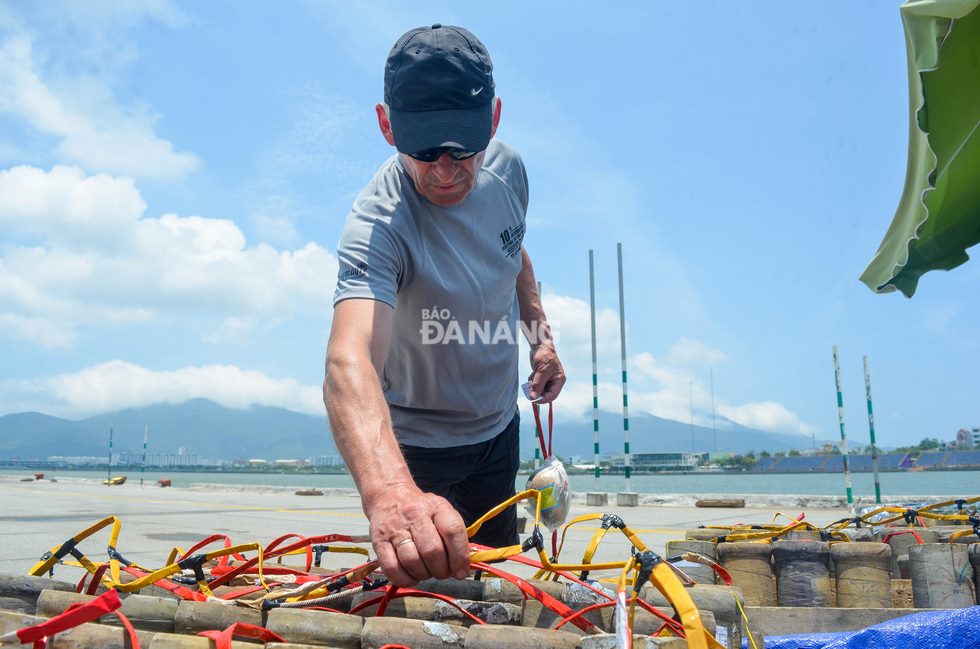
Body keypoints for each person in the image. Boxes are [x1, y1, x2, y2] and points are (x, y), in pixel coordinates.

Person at [322, 24, 565, 588]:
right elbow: (347, 359)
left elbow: (513, 251)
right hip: (415, 449)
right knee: (430, 596)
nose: (448, 170)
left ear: (495, 119)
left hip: (497, 430)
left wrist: (541, 339)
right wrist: (388, 492)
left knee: (497, 585)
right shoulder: (378, 224)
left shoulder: (509, 172)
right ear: (386, 126)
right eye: (426, 150)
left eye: (464, 147)